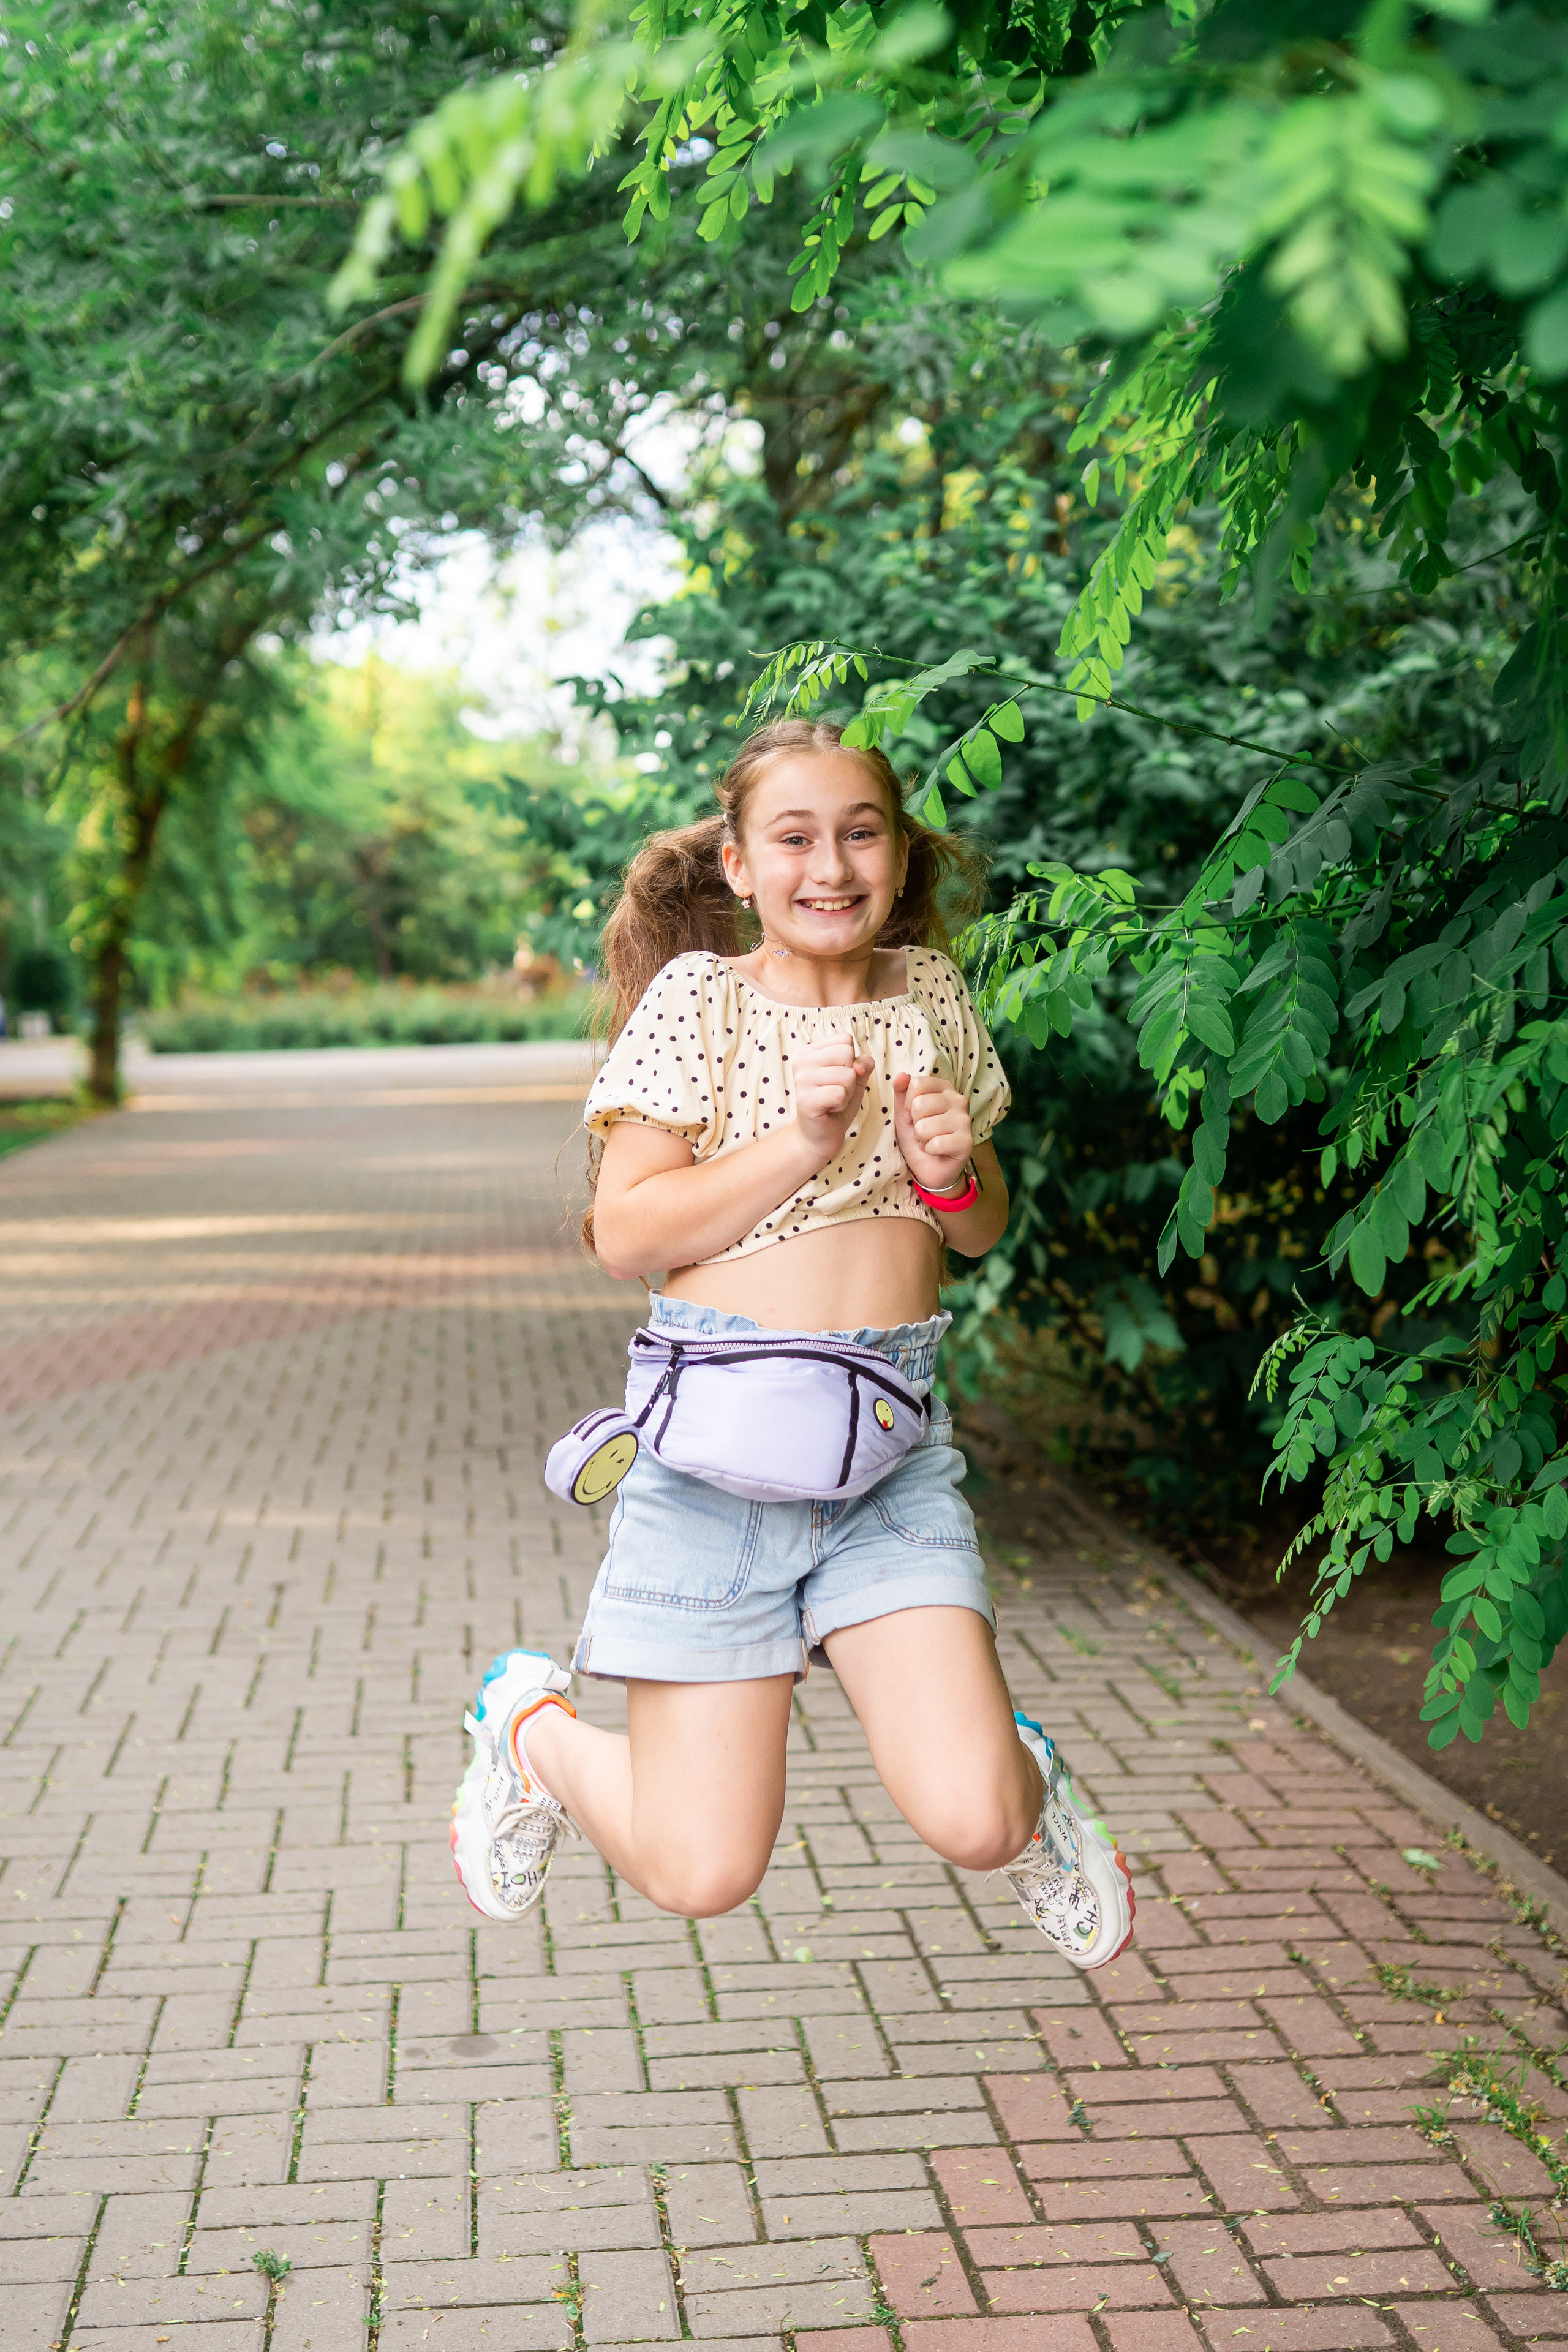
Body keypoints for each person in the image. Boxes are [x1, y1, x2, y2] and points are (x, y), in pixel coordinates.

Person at [451, 718, 1134, 1967]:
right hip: (711, 1465)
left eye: (861, 834)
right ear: (740, 865)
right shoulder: (699, 1001)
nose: (831, 866)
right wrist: (797, 1144)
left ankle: (1022, 1784)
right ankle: (529, 1731)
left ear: (899, 856)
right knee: (701, 1871)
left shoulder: (930, 994)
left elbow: (979, 1224)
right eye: (795, 838)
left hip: (887, 1452)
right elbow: (624, 1234)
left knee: (980, 1819)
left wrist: (950, 1173)